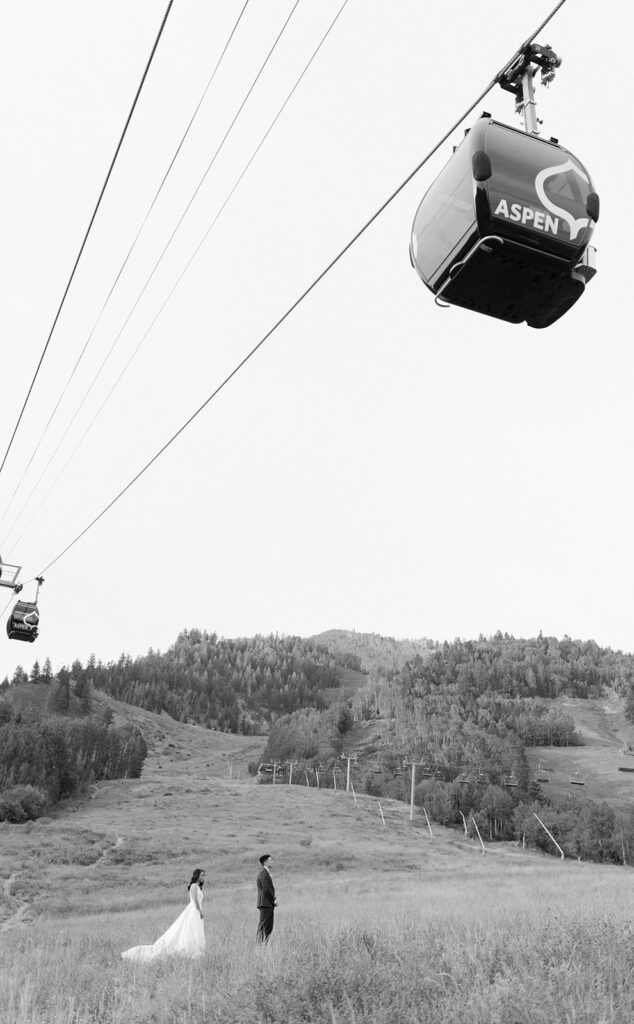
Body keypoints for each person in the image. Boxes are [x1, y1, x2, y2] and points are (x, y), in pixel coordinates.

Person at [121, 869, 205, 962]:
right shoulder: (194, 886)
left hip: (196, 911)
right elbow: (195, 900)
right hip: (194, 911)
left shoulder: (198, 887)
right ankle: (186, 950)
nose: (203, 877)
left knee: (194, 931)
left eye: (203, 875)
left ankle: (193, 952)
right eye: (201, 875)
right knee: (189, 930)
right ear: (197, 876)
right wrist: (200, 911)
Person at [256, 854, 277, 943]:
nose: (272, 862)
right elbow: (267, 889)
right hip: (265, 903)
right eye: (270, 860)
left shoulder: (266, 873)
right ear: (265, 862)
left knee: (268, 927)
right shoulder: (263, 873)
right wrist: (274, 900)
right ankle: (259, 947)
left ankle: (264, 946)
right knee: (263, 926)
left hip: (267, 904)